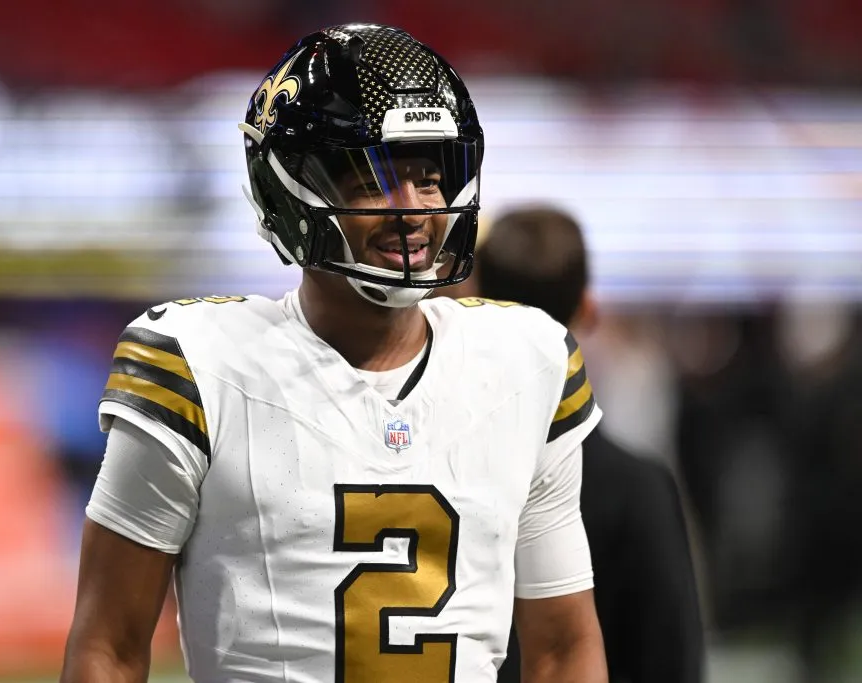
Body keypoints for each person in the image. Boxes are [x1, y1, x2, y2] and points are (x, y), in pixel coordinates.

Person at [60, 24, 607, 683]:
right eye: (375, 179)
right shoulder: (198, 366)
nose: (412, 210)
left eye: (429, 178)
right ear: (289, 192)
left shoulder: (527, 361)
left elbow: (562, 650)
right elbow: (109, 650)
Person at [444, 205, 704, 683]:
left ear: (475, 299)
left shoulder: (441, 467)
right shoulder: (638, 488)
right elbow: (671, 659)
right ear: (589, 309)